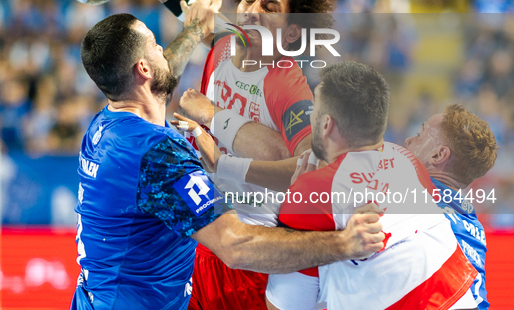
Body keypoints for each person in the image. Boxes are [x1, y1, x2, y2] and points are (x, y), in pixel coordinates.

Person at [71, 0, 386, 309]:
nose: (162, 51)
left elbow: (157, 78)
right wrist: (343, 244)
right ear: (143, 69)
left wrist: (195, 29)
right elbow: (235, 245)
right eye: (155, 45)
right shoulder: (158, 153)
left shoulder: (106, 125)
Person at [88, 0, 337, 309]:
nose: (253, 10)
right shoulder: (227, 42)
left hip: (251, 250)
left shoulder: (287, 84)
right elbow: (193, 14)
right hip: (204, 236)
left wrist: (217, 124)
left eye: (270, 6)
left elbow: (311, 170)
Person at [178, 61, 481, 309]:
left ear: (326, 125)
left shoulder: (309, 197)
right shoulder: (409, 162)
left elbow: (284, 307)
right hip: (461, 296)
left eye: (314, 113)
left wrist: (296, 206)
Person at [404, 104, 496, 310]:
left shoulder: (411, 198)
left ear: (438, 156)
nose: (407, 140)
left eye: (420, 134)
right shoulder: (473, 224)